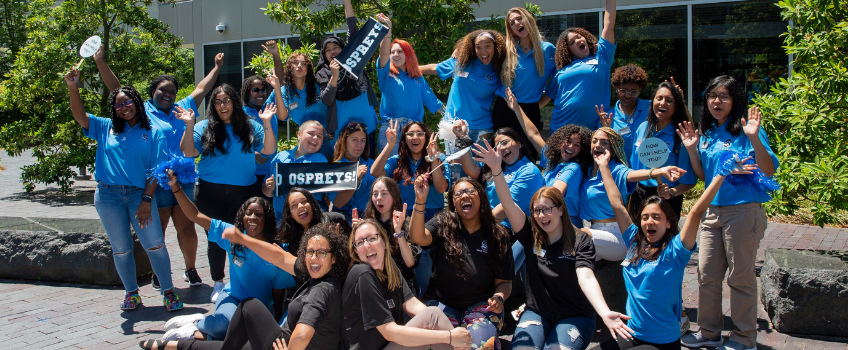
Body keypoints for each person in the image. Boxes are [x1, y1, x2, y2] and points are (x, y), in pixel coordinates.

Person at [474, 140, 634, 350]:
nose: (542, 215)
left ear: (561, 210)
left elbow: (586, 276)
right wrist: (496, 170)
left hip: (575, 316)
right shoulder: (530, 233)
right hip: (537, 313)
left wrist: (604, 312)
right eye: (537, 210)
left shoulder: (580, 239)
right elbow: (508, 203)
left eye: (548, 209)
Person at [93, 47, 224, 290]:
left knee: (186, 225)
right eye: (163, 90)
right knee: (159, 225)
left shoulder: (181, 107)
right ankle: (158, 274)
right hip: (157, 178)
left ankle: (190, 269)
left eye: (172, 91)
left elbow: (201, 89)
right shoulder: (142, 111)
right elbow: (116, 89)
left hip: (183, 176)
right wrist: (100, 62)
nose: (168, 95)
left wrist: (216, 68)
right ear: (152, 92)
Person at [63, 68, 183, 312]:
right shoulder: (105, 127)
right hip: (108, 195)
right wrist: (72, 86)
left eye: (127, 102)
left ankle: (168, 291)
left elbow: (156, 169)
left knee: (155, 243)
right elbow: (79, 116)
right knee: (120, 247)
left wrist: (147, 199)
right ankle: (132, 293)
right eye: (118, 104)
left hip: (140, 195)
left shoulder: (153, 132)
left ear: (137, 103)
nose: (123, 107)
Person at [595, 146, 735, 350]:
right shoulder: (634, 240)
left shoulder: (675, 251)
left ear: (668, 223)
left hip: (662, 343)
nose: (649, 222)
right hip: (632, 334)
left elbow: (696, 212)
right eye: (645, 217)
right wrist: (603, 165)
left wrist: (721, 173)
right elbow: (616, 203)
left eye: (656, 217)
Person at [680, 75, 779, 350]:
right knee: (706, 273)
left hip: (743, 212)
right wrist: (692, 150)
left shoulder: (747, 129)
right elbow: (704, 176)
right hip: (713, 212)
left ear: (735, 100)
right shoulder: (709, 133)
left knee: (740, 276)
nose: (716, 101)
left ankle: (744, 337)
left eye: (723, 96)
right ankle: (709, 332)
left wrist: (755, 139)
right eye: (712, 96)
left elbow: (768, 169)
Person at [138, 223, 348, 350]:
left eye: (321, 253)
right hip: (282, 339)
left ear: (334, 258)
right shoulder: (317, 271)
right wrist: (243, 239)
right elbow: (279, 256)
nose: (313, 257)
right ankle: (173, 346)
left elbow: (303, 334)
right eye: (310, 251)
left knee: (249, 306)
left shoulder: (323, 290)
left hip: (285, 345)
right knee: (235, 346)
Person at [159, 172, 294, 342]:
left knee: (246, 336)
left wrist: (277, 319)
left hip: (260, 307)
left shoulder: (277, 248)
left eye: (258, 214)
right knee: (222, 326)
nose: (252, 217)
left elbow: (279, 291)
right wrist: (175, 187)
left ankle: (207, 334)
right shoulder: (233, 236)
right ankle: (196, 323)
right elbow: (196, 216)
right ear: (242, 217)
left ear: (267, 219)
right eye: (248, 213)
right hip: (232, 298)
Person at [179, 84, 278, 302]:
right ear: (213, 105)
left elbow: (269, 150)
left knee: (243, 237)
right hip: (209, 192)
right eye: (218, 101)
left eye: (227, 100)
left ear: (235, 102)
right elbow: (187, 151)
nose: (223, 105)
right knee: (215, 237)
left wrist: (267, 122)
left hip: (244, 191)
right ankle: (218, 282)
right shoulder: (203, 126)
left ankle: (241, 280)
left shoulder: (251, 125)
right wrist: (188, 126)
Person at [410, 175, 514, 349]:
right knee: (436, 344)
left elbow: (504, 283)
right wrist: (420, 200)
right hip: (441, 303)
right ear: (453, 203)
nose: (464, 196)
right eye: (458, 194)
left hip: (481, 306)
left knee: (480, 345)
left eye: (469, 191)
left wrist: (499, 297)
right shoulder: (443, 222)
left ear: (480, 196)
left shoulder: (498, 235)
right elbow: (418, 237)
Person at [342, 219, 473, 350]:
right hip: (385, 342)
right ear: (355, 252)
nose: (367, 245)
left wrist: (450, 332)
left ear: (384, 242)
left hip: (389, 346)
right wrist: (449, 336)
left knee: (433, 315)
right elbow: (389, 332)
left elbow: (411, 303)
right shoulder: (362, 273)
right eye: (360, 242)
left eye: (372, 238)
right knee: (434, 318)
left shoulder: (389, 267)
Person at [579, 127, 683, 261]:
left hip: (616, 233)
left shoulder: (615, 169)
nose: (598, 145)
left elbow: (633, 175)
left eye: (604, 142)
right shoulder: (587, 172)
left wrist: (660, 172)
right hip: (594, 229)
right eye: (595, 141)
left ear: (613, 147)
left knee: (580, 235)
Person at [371, 120, 449, 296]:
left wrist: (433, 157)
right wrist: (389, 145)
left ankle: (424, 302)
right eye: (410, 134)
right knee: (408, 268)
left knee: (426, 268)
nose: (415, 137)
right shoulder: (397, 161)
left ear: (427, 138)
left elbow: (441, 187)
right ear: (404, 139)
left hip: (432, 220)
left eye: (420, 133)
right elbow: (375, 172)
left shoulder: (440, 158)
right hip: (403, 221)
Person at [507, 89, 593, 229]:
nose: (571, 146)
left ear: (581, 150)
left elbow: (555, 192)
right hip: (545, 217)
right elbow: (533, 133)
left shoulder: (574, 167)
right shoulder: (551, 160)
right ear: (559, 141)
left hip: (566, 224)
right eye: (568, 141)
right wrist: (517, 108)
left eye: (577, 145)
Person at [420, 29, 508, 153]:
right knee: (456, 169)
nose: (483, 51)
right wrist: (409, 68)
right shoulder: (462, 61)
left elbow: (510, 96)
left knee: (480, 168)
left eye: (487, 46)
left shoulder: (501, 69)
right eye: (478, 47)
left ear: (496, 47)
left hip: (482, 126)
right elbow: (436, 68)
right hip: (454, 126)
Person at [315, 0, 380, 157]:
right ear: (324, 55)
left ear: (344, 49)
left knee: (367, 164)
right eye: (328, 50)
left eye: (336, 47)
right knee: (343, 170)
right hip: (340, 131)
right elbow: (326, 100)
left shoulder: (355, 59)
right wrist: (334, 76)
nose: (332, 51)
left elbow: (353, 30)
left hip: (367, 125)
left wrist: (347, 2)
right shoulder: (322, 73)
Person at [541, 0, 617, 131]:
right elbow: (545, 98)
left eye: (579, 37)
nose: (578, 40)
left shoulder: (602, 55)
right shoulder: (561, 71)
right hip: (562, 127)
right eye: (572, 42)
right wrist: (519, 108)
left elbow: (609, 25)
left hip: (594, 130)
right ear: (567, 50)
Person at [375, 14, 444, 157]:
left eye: (400, 51)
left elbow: (433, 102)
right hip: (391, 128)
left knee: (413, 170)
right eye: (392, 52)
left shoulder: (418, 78)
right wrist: (388, 30)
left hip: (414, 131)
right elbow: (383, 53)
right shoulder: (386, 74)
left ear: (408, 54)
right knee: (390, 171)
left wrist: (452, 116)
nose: (395, 54)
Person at [627, 82, 697, 219]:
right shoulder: (642, 128)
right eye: (659, 98)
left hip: (666, 197)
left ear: (677, 106)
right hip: (639, 194)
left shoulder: (680, 135)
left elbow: (689, 181)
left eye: (669, 100)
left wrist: (671, 192)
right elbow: (632, 168)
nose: (662, 103)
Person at [494, 7, 556, 160]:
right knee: (502, 156)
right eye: (512, 23)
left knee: (528, 155)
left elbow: (556, 83)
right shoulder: (506, 50)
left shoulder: (548, 51)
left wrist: (537, 104)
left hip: (530, 110)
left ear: (529, 19)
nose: (517, 23)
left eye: (519, 18)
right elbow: (482, 52)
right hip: (504, 109)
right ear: (511, 30)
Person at [357, 177, 421, 295]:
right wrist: (358, 237)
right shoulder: (368, 224)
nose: (379, 198)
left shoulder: (406, 223)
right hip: (377, 287)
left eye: (384, 193)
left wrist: (398, 232)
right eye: (375, 194)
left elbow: (410, 262)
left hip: (403, 287)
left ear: (394, 196)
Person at [262, 120, 331, 221]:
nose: (315, 138)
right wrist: (268, 188)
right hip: (281, 217)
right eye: (311, 133)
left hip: (307, 216)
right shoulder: (281, 156)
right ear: (299, 134)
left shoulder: (320, 160)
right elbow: (267, 192)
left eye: (320, 136)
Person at [240, 47, 287, 196]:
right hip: (248, 173)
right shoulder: (239, 114)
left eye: (263, 90)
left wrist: (275, 55)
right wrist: (255, 155)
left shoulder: (270, 106)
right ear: (247, 92)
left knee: (270, 214)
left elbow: (279, 81)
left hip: (270, 172)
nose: (261, 93)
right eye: (256, 90)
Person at [275, 47, 334, 159]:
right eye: (295, 63)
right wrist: (277, 88)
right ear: (290, 68)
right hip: (306, 139)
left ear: (308, 68)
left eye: (303, 64)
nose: (299, 66)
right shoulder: (285, 90)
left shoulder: (318, 84)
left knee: (327, 170)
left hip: (327, 137)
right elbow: (283, 116)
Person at [596, 64, 650, 160]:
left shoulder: (651, 108)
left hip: (647, 170)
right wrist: (606, 129)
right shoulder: (607, 118)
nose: (628, 96)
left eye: (633, 92)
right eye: (623, 91)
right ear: (616, 88)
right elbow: (602, 150)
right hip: (620, 171)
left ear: (640, 90)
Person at [332, 122, 376, 222]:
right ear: (344, 141)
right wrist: (356, 179)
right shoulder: (335, 168)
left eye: (363, 141)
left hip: (368, 219)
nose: (359, 145)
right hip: (343, 219)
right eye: (354, 140)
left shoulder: (371, 164)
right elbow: (338, 203)